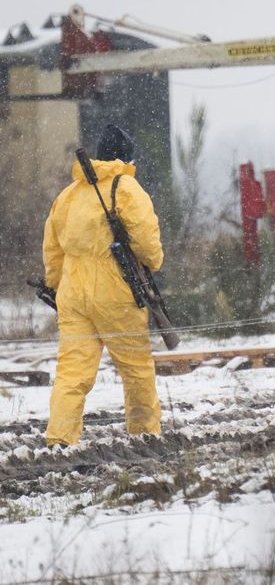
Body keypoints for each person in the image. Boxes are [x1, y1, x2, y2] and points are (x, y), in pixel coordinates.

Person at [43, 125, 164, 446]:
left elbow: (52, 252)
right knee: (135, 368)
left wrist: (56, 287)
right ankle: (144, 435)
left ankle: (60, 439)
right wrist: (153, 263)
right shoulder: (127, 188)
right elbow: (148, 246)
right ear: (126, 156)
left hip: (72, 294)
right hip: (116, 292)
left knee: (72, 372)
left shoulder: (67, 195)